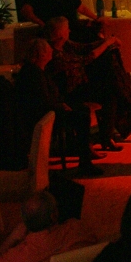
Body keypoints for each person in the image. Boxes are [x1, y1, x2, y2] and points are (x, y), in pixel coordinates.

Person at [45, 16, 131, 152]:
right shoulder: (54, 54)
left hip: (78, 87)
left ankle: (107, 137)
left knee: (110, 89)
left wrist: (108, 41)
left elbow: (86, 47)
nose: (70, 31)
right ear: (60, 34)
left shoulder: (65, 45)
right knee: (111, 78)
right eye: (67, 29)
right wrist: (107, 43)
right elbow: (87, 58)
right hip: (67, 94)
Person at [14, 38, 101, 176]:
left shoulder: (37, 70)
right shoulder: (33, 73)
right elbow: (42, 101)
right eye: (49, 50)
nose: (52, 52)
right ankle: (85, 162)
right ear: (42, 54)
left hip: (48, 111)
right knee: (82, 117)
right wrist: (61, 106)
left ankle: (84, 157)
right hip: (43, 116)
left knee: (82, 110)